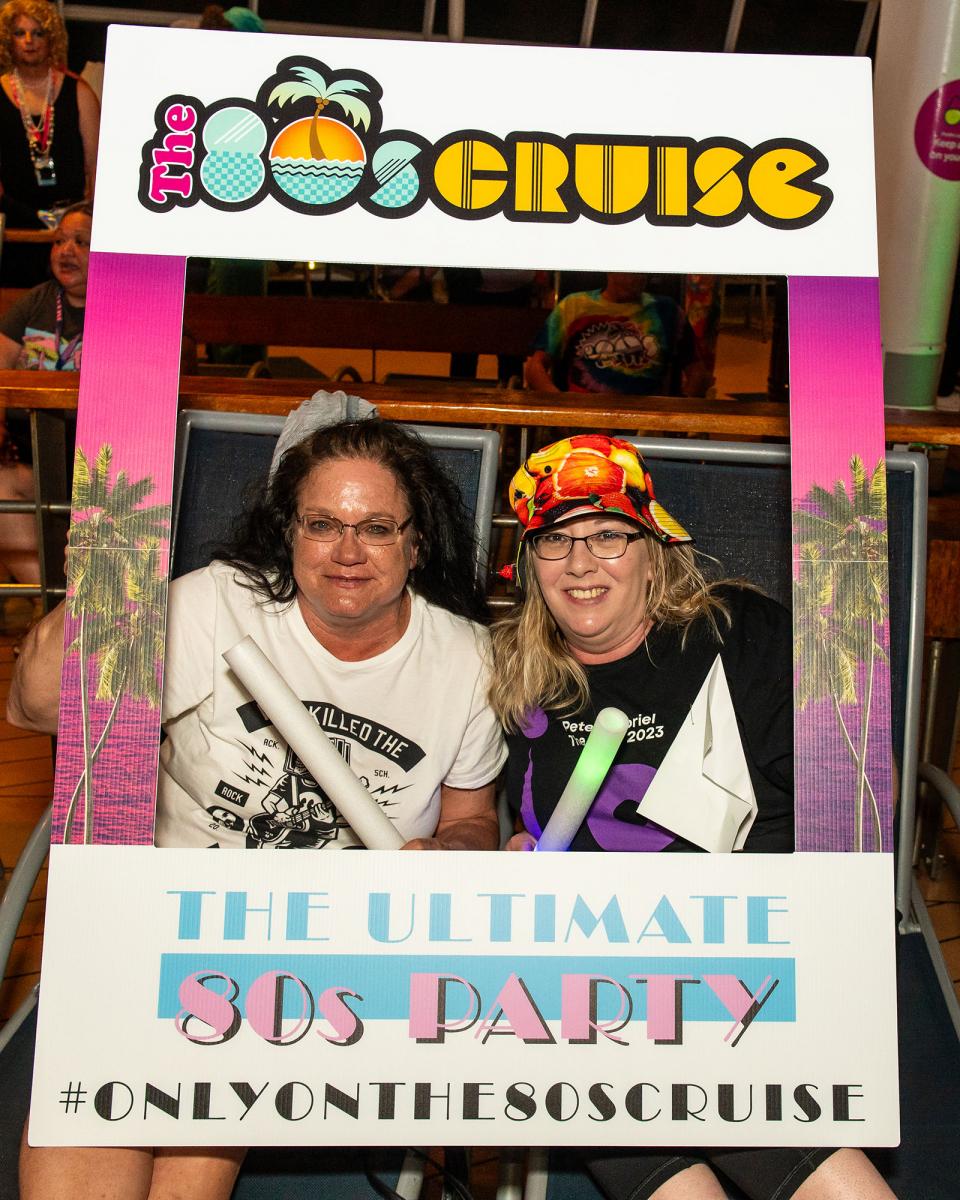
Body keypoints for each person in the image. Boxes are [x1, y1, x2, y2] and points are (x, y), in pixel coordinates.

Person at [8, 411, 507, 1198]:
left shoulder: (468, 662)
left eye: (377, 528)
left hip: (330, 963)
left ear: (416, 544)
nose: (347, 551)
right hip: (164, 931)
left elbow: (472, 819)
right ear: (288, 533)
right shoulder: (216, 605)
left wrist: (452, 854)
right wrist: (113, 575)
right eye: (322, 524)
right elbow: (38, 706)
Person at [490, 433, 899, 1200]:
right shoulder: (515, 673)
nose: (579, 562)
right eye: (554, 540)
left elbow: (855, 798)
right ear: (530, 564)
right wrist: (513, 857)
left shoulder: (739, 636)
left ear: (654, 550)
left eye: (608, 534)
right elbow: (505, 828)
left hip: (748, 975)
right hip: (592, 1003)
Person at [0, 0, 100, 286]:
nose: (29, 41)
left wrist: (87, 221)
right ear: (8, 39)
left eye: (38, 33)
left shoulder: (79, 91)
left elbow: (97, 167)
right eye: (20, 33)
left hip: (72, 225)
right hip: (16, 227)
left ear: (51, 37)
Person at [525, 272, 708, 397]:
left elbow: (697, 371)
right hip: (585, 416)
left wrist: (676, 419)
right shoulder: (574, 305)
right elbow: (535, 366)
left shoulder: (667, 311)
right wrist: (562, 411)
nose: (637, 277)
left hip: (647, 421)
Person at [0, 200, 90, 370]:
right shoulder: (36, 300)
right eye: (59, 241)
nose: (65, 251)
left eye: (80, 242)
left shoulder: (120, 310)